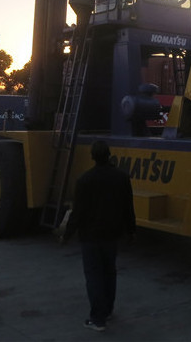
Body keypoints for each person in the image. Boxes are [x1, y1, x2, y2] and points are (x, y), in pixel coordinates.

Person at [64, 140, 136, 332]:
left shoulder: (84, 180)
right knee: (109, 273)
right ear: (109, 154)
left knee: (94, 276)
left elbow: (78, 212)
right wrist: (131, 231)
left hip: (90, 236)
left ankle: (98, 318)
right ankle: (108, 310)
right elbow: (128, 207)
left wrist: (66, 234)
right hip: (112, 235)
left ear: (93, 157)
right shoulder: (122, 177)